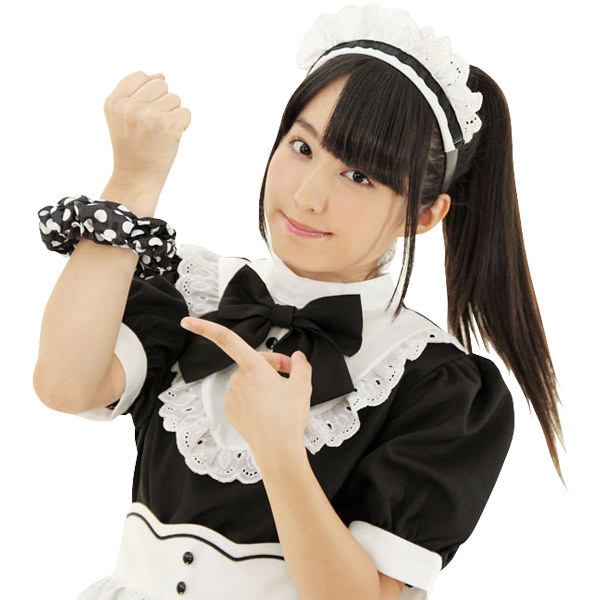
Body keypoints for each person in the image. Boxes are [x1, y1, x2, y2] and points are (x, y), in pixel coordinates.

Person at [33, 3, 565, 599]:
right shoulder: (193, 291)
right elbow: (64, 385)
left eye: (360, 176)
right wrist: (132, 184)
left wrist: (279, 450)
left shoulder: (436, 385)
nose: (309, 197)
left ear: (423, 214)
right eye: (303, 148)